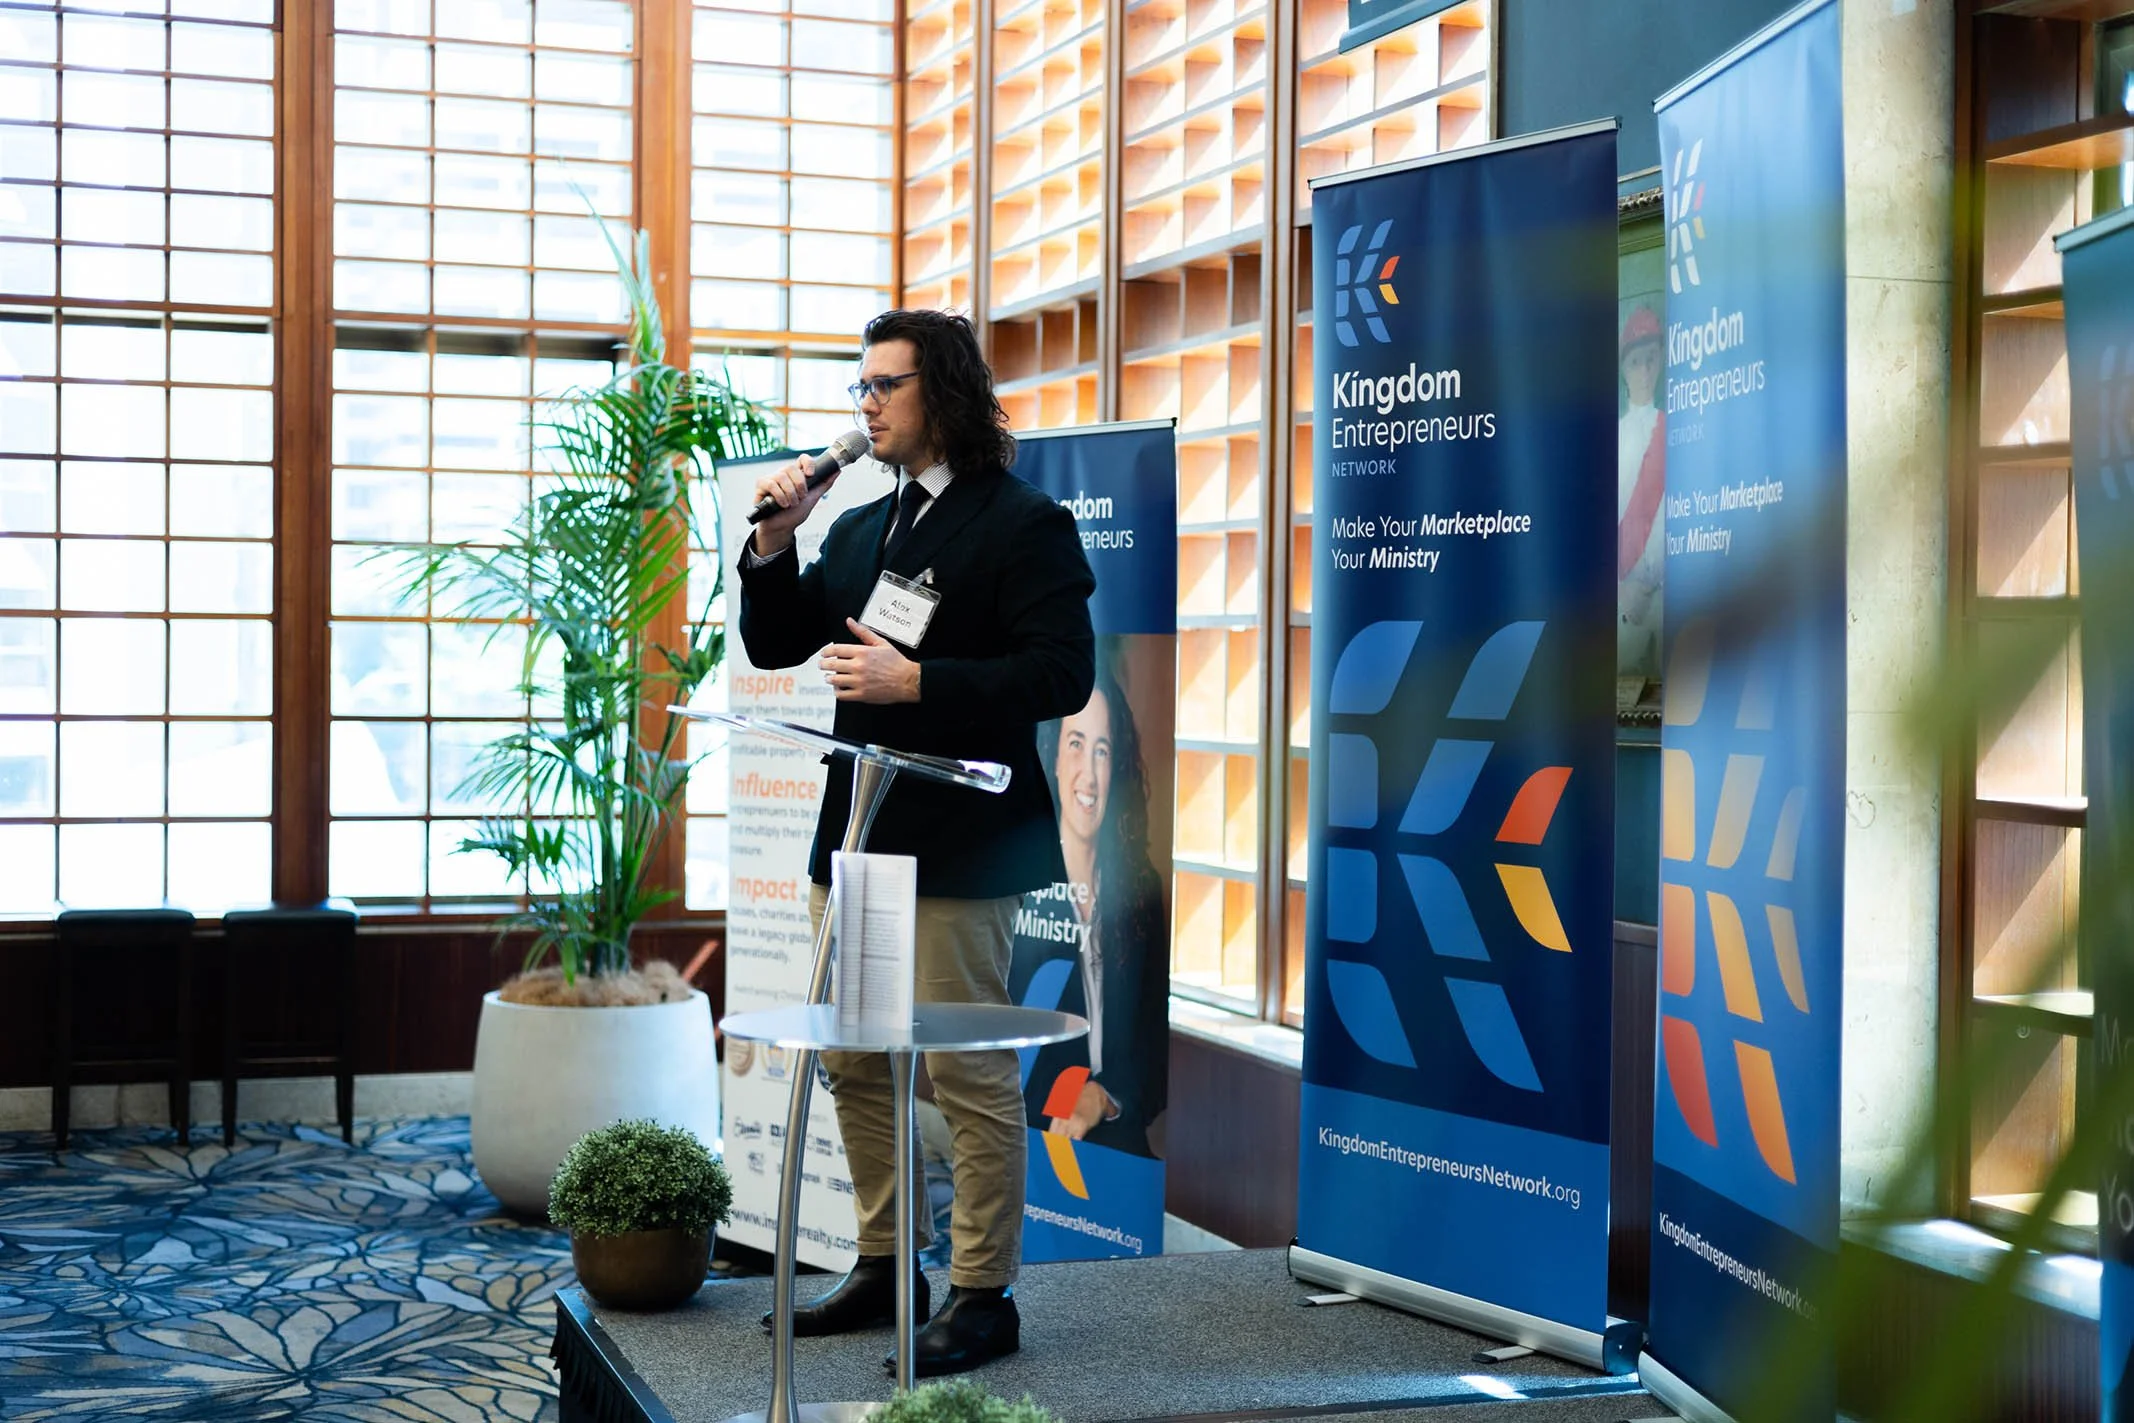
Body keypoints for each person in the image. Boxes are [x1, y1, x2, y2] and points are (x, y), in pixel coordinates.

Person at [737, 308, 1097, 1376]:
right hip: (856, 832)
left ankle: (985, 1293)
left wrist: (920, 682)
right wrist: (772, 539)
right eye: (861, 388)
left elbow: (1059, 673)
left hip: (962, 840)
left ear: (940, 393)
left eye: (885, 386)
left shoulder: (1021, 521)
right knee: (853, 1057)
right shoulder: (861, 527)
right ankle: (889, 1260)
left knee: (965, 1071)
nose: (867, 406)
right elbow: (773, 640)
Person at [1015, 655, 1168, 1157]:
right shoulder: (1018, 886)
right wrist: (1071, 1098)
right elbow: (1007, 1056)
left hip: (1116, 1133)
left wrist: (1102, 1096)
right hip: (1035, 1140)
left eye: (1101, 751)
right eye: (1075, 744)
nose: (1088, 774)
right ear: (1053, 757)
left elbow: (1154, 1056)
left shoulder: (1139, 893)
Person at [1617, 304, 1667, 679]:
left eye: (1651, 360)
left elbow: (1669, 516)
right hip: (1618, 596)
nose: (1645, 371)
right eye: (1636, 362)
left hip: (1660, 591)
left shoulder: (1673, 429)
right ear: (1624, 369)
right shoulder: (1611, 437)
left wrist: (1645, 582)